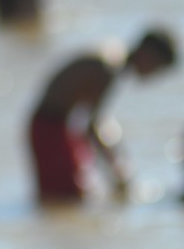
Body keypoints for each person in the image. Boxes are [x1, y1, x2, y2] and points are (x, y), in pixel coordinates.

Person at [25, 27, 176, 205]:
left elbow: (96, 121)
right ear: (148, 54)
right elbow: (92, 127)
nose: (153, 76)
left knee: (74, 195)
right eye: (157, 68)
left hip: (58, 126)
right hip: (49, 129)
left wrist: (115, 156)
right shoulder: (108, 68)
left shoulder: (113, 56)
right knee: (64, 198)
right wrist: (116, 169)